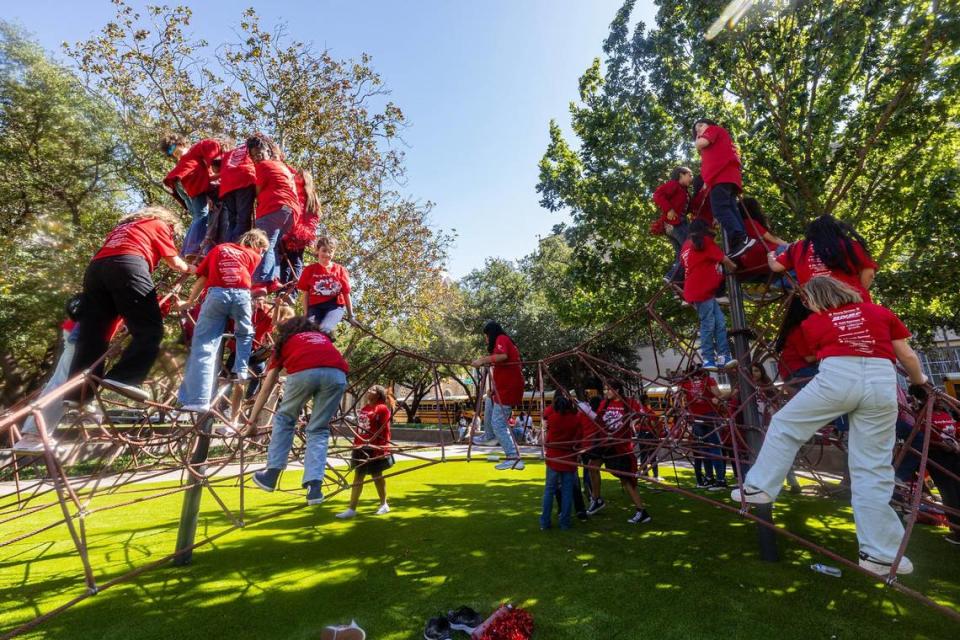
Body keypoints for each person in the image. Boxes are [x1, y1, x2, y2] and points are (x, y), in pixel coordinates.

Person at [732, 276, 929, 576]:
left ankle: (759, 486)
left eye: (807, 301)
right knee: (873, 469)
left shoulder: (814, 323)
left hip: (838, 377)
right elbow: (907, 355)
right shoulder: (880, 312)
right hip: (881, 383)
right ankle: (880, 554)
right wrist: (919, 383)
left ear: (814, 300)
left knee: (786, 424)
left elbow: (815, 354)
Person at [68, 207, 194, 403]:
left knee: (93, 335)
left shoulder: (124, 228)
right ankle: (123, 377)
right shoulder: (159, 224)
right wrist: (194, 269)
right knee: (150, 329)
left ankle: (78, 394)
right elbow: (175, 263)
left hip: (95, 272)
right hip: (128, 264)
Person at [250, 317, 349, 505]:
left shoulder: (286, 342)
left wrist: (252, 421)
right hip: (337, 374)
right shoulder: (322, 337)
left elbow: (266, 387)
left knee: (285, 419)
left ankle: (271, 474)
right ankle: (314, 487)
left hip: (305, 372)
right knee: (319, 429)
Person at [174, 230, 269, 412]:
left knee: (204, 346)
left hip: (217, 295)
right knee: (245, 332)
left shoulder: (219, 249)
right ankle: (241, 370)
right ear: (255, 245)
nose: (262, 254)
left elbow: (203, 278)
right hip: (242, 296)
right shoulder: (253, 256)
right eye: (262, 249)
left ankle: (199, 400)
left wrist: (189, 301)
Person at [584, 381, 652, 524]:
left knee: (626, 479)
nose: (606, 392)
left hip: (619, 445)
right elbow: (599, 418)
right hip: (604, 442)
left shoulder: (629, 402)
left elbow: (641, 414)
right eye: (605, 389)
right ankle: (597, 499)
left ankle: (642, 511)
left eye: (608, 389)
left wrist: (634, 421)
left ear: (617, 390)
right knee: (591, 466)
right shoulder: (605, 403)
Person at [768, 214, 877, 302]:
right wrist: (858, 292)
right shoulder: (851, 245)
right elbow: (869, 274)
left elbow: (776, 266)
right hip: (853, 299)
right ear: (837, 229)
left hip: (817, 302)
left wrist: (771, 255)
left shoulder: (799, 246)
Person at [681, 219, 739, 371]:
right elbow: (724, 259)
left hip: (698, 290)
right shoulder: (705, 242)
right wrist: (734, 268)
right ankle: (708, 359)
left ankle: (723, 357)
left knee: (719, 323)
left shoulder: (686, 246)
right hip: (701, 290)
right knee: (709, 324)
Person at [692, 118, 755, 258]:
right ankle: (742, 239)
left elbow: (700, 143)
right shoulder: (718, 140)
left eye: (701, 126)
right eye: (696, 130)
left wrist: (697, 139)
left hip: (720, 176)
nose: (699, 130)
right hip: (728, 176)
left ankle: (739, 238)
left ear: (710, 125)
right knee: (731, 208)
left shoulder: (713, 130)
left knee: (720, 209)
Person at [246, 133, 300, 286]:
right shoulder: (282, 166)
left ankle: (262, 281)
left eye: (259, 153)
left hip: (273, 207)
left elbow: (256, 191)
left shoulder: (263, 166)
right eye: (253, 156)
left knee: (263, 242)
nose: (257, 158)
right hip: (290, 212)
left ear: (268, 152)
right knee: (273, 244)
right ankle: (274, 279)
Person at [471, 321, 526, 470]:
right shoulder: (499, 345)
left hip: (509, 389)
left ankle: (513, 457)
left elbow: (503, 356)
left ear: (492, 333)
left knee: (498, 423)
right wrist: (494, 390)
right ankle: (489, 436)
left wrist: (482, 360)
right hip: (502, 389)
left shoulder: (502, 338)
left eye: (486, 336)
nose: (486, 339)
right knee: (489, 399)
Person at [337, 385, 396, 519]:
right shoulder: (365, 408)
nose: (369, 390)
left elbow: (384, 431)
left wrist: (381, 448)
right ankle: (352, 509)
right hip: (360, 447)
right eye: (369, 389)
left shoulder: (382, 409)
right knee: (358, 476)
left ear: (378, 395)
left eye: (373, 390)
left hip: (373, 448)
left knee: (377, 476)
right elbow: (360, 426)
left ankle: (384, 504)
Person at [161, 134, 224, 259]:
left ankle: (187, 250)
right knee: (202, 215)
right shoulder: (192, 151)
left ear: (180, 142)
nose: (172, 152)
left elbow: (207, 177)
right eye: (169, 151)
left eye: (171, 148)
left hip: (184, 184)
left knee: (198, 217)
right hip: (187, 182)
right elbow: (211, 146)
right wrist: (221, 168)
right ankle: (191, 249)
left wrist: (220, 174)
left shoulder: (190, 155)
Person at [679, 366, 728, 490]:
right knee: (712, 448)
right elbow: (719, 395)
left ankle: (712, 478)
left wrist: (685, 409)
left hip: (698, 417)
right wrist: (715, 399)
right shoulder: (708, 380)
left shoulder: (686, 383)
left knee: (706, 449)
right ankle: (718, 479)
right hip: (708, 416)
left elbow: (679, 398)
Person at [540, 395, 584, 530]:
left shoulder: (552, 418)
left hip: (554, 458)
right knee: (567, 492)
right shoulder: (575, 420)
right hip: (569, 459)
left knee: (549, 490)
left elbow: (548, 438)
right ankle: (565, 523)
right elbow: (579, 439)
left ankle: (545, 523)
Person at [296, 236, 353, 335]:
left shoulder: (340, 270)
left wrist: (351, 316)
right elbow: (305, 294)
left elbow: (346, 294)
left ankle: (327, 337)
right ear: (317, 250)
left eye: (330, 251)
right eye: (324, 250)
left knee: (324, 329)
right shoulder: (309, 270)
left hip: (334, 306)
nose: (327, 254)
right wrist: (306, 314)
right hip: (315, 307)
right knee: (310, 330)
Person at [280, 169, 321, 285]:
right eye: (296, 175)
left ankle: (293, 287)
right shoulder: (292, 191)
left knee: (296, 259)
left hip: (300, 233)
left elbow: (313, 217)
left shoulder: (310, 197)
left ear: (305, 179)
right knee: (285, 260)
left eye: (300, 176)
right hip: (288, 230)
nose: (296, 176)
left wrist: (308, 232)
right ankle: (283, 289)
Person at [653, 166, 693, 283]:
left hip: (675, 225)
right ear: (681, 175)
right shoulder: (673, 185)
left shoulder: (684, 191)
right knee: (689, 249)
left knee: (681, 254)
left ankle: (676, 284)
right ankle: (672, 277)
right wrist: (669, 209)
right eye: (689, 175)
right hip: (676, 224)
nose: (691, 178)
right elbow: (658, 195)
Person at [737, 198, 789, 277]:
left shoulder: (740, 225)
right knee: (798, 253)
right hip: (765, 255)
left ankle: (783, 283)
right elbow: (772, 239)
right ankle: (784, 283)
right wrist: (791, 246)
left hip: (753, 260)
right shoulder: (750, 222)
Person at [218, 143, 258, 243]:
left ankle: (227, 247)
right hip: (244, 179)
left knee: (232, 221)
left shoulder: (230, 153)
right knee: (243, 220)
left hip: (226, 184)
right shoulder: (253, 147)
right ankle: (236, 247)